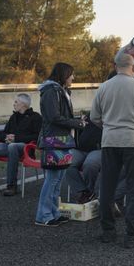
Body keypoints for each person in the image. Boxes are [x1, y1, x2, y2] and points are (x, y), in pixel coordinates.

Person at [90, 53, 134, 248]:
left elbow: (94, 116)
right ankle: (133, 233)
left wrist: (109, 127)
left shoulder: (104, 88)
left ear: (115, 66)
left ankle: (108, 231)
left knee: (107, 186)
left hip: (110, 141)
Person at [35, 62, 85, 227]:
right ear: (64, 75)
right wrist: (76, 123)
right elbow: (54, 117)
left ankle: (54, 213)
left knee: (58, 179)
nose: (73, 77)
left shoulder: (59, 91)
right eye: (71, 74)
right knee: (52, 179)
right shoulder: (51, 91)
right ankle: (43, 216)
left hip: (61, 140)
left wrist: (75, 122)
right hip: (54, 140)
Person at [0, 93, 42, 195]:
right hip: (8, 146)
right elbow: (2, 133)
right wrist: (6, 137)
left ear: (23, 104)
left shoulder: (36, 117)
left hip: (25, 148)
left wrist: (16, 138)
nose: (14, 104)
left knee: (13, 146)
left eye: (16, 102)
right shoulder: (13, 117)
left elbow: (37, 137)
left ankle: (11, 186)